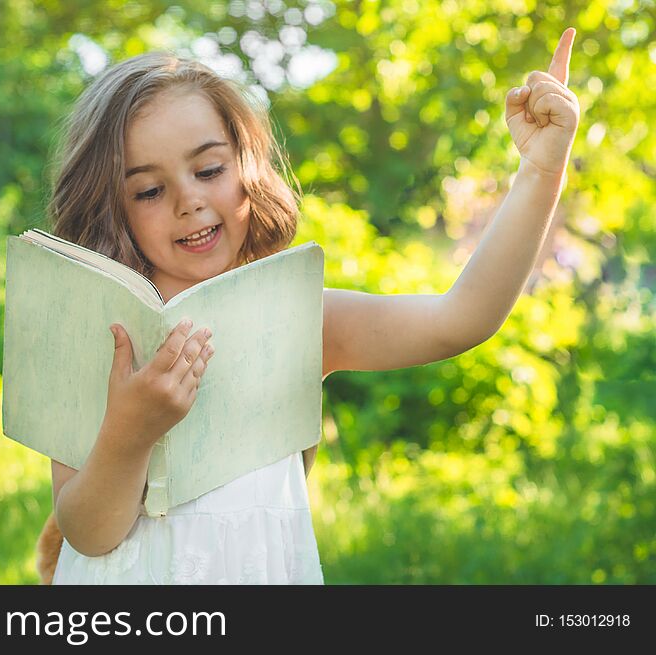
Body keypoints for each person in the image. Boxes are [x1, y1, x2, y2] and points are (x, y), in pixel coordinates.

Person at [37, 27, 580, 584]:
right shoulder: (100, 330)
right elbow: (88, 530)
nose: (189, 201)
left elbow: (461, 317)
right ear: (110, 207)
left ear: (246, 167)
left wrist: (540, 171)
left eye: (209, 170)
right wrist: (131, 430)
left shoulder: (297, 318)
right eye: (149, 191)